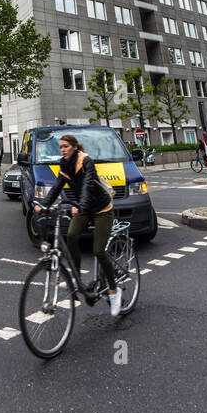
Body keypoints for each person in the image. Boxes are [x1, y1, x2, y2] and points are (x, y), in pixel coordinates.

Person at [33, 133, 123, 317]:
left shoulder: (86, 161)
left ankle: (114, 292)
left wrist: (81, 204)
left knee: (99, 250)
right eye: (61, 147)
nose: (63, 150)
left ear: (74, 146)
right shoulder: (64, 163)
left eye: (66, 146)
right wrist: (44, 205)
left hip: (101, 208)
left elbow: (87, 185)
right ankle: (75, 279)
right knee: (72, 236)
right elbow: (58, 185)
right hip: (83, 208)